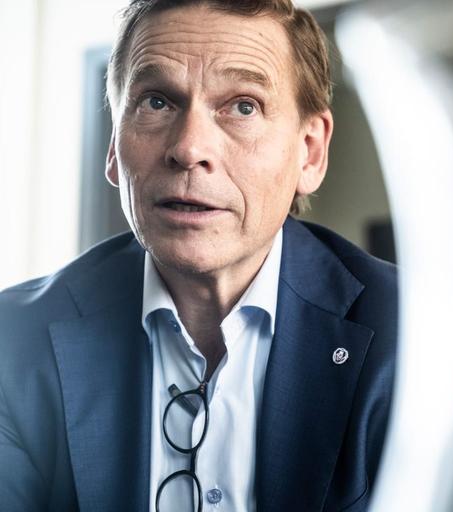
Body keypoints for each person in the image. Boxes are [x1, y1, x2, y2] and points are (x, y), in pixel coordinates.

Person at [0, 1, 398, 511]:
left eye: (243, 106)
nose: (189, 149)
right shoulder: (13, 343)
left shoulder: (420, 337)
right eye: (157, 102)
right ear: (114, 146)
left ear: (310, 151)